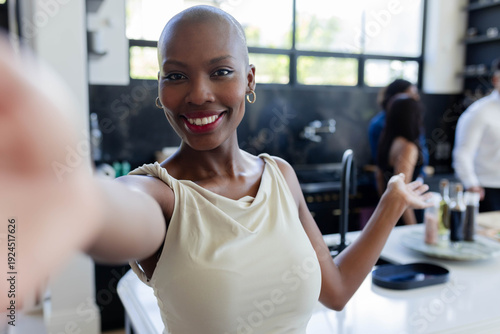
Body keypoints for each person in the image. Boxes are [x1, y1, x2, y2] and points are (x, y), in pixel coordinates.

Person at [0, 5, 431, 333]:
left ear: (249, 79)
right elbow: (112, 209)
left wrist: (392, 202)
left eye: (221, 71)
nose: (199, 94)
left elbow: (334, 291)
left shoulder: (280, 176)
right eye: (176, 76)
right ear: (161, 88)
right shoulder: (160, 194)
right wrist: (72, 201)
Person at [453, 58, 500, 212]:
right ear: (495, 79)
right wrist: (471, 184)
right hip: (486, 189)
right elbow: (463, 153)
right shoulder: (479, 112)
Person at [376, 94, 426, 225]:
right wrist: (412, 227)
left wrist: (385, 207)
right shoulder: (408, 147)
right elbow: (402, 193)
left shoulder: (388, 141)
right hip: (404, 213)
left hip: (393, 212)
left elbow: (379, 176)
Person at [368, 79, 428, 169]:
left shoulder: (413, 124)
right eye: (411, 95)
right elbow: (381, 164)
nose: (416, 99)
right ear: (397, 98)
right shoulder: (379, 125)